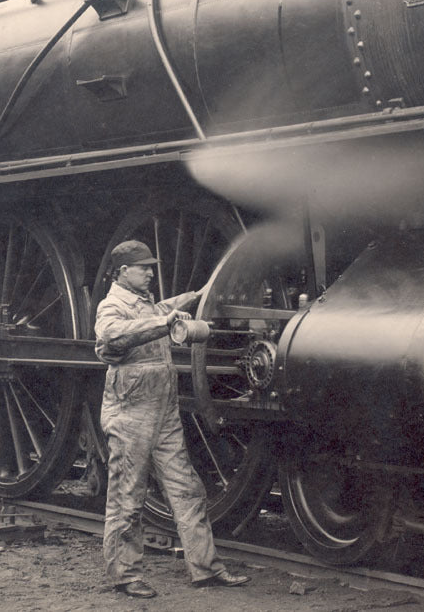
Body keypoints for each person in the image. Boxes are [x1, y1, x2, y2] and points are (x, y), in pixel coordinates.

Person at [94, 239, 249, 598]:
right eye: (143, 267)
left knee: (187, 489)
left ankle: (206, 568)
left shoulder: (146, 303)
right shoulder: (112, 305)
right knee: (126, 496)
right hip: (130, 412)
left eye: (151, 266)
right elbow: (109, 334)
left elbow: (164, 308)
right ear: (123, 272)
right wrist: (163, 323)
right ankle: (125, 575)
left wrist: (196, 295)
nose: (150, 272)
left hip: (163, 412)